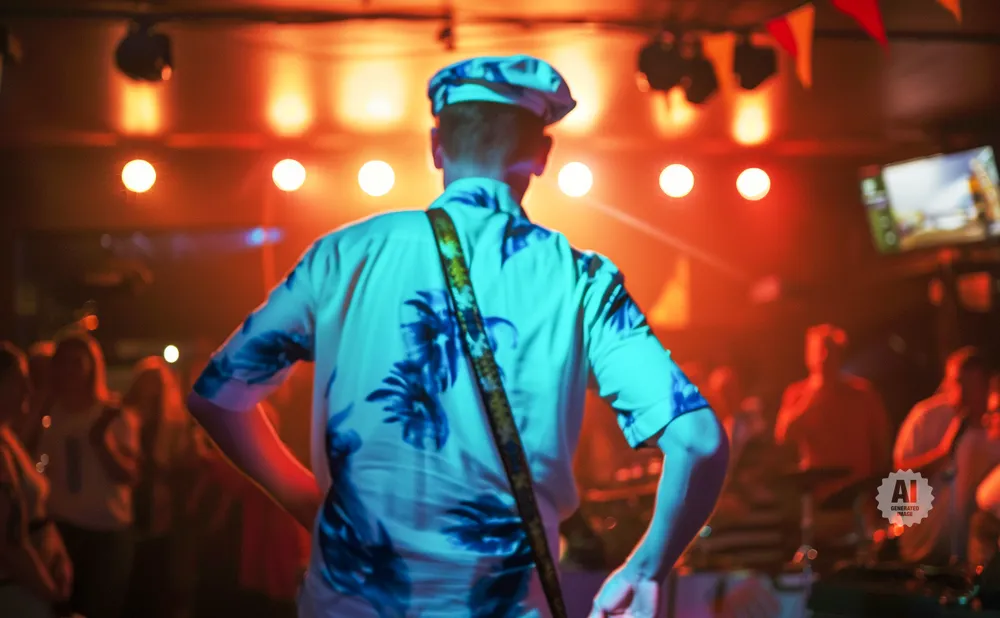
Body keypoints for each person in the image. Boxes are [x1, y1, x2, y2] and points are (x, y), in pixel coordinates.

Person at [186, 54, 729, 618]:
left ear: (436, 146)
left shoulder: (344, 255)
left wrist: (309, 502)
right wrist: (644, 570)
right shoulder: (581, 280)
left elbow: (216, 397)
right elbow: (699, 441)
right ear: (542, 156)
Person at [36, 333, 140, 618]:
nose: (70, 371)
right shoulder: (52, 415)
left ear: (93, 367)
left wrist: (101, 443)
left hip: (105, 532)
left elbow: (129, 475)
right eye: (63, 363)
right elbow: (44, 462)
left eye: (77, 363)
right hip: (62, 529)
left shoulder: (113, 415)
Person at [897, 350, 1000, 566]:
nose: (963, 394)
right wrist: (943, 453)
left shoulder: (994, 427)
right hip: (924, 548)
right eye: (957, 383)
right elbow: (900, 475)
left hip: (972, 555)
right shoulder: (926, 416)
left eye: (972, 386)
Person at [121, 356, 199, 618]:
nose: (151, 389)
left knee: (157, 557)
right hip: (130, 496)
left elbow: (182, 463)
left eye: (156, 383)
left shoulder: (174, 423)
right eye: (146, 382)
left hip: (160, 497)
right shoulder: (125, 417)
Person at [0, 342, 73, 618]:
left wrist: (59, 558)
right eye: (20, 381)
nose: (28, 390)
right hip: (18, 590)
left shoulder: (7, 439)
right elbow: (9, 542)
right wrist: (51, 596)